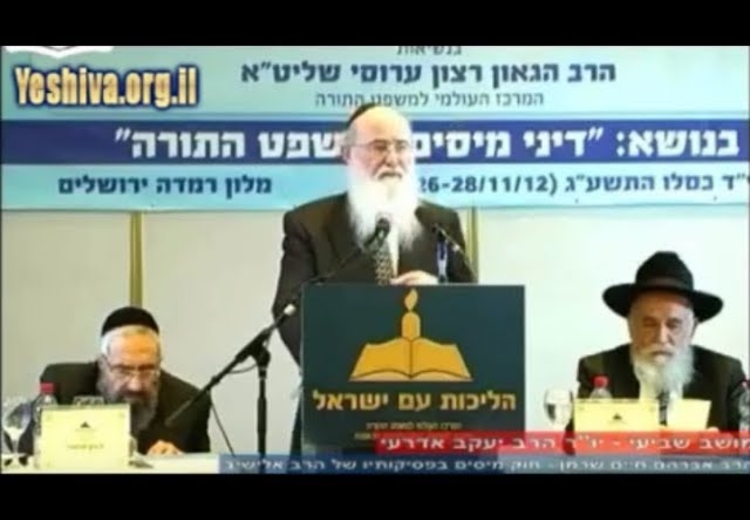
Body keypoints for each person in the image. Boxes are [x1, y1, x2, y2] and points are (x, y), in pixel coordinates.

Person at [271, 103, 475, 455]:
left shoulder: (440, 222)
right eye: (379, 147)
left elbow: (477, 309)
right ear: (348, 154)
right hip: (341, 407)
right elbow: (289, 309)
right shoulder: (310, 223)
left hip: (431, 410)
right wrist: (339, 374)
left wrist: (441, 295)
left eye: (402, 146)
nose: (392, 159)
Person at [573, 251, 746, 431]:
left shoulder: (725, 374)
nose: (661, 338)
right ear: (630, 325)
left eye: (673, 325)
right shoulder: (599, 369)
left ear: (693, 328)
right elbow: (574, 442)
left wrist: (719, 444)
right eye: (649, 324)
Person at [20, 306, 211, 456]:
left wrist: (180, 463)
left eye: (147, 370)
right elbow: (24, 446)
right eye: (123, 370)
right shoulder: (64, 384)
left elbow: (203, 465)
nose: (136, 385)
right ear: (102, 364)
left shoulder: (188, 402)